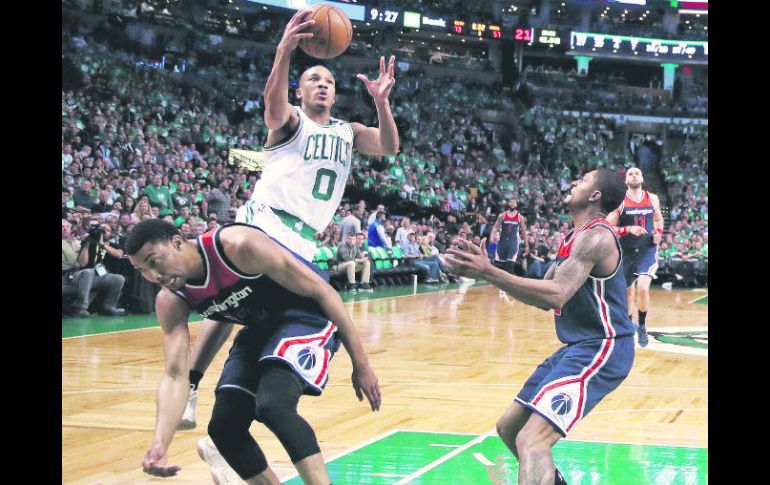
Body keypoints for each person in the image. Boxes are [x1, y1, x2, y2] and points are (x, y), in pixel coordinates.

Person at [183, 7, 399, 430]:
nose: (322, 84)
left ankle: (230, 418)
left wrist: (381, 103)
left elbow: (389, 146)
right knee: (230, 306)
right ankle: (189, 387)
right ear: (299, 92)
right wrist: (283, 51)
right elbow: (271, 107)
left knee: (262, 318)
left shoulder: (348, 132)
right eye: (313, 79)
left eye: (329, 81)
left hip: (304, 239)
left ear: (335, 95)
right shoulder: (291, 121)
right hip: (264, 220)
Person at [126, 219, 381, 484]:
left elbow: (323, 291)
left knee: (273, 405)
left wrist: (361, 363)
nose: (153, 276)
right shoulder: (170, 298)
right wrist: (160, 444)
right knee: (223, 428)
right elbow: (175, 375)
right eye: (141, 270)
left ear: (177, 242)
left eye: (154, 262)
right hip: (259, 328)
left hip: (306, 316)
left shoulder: (239, 245)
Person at [442, 169, 635, 485]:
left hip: (604, 347)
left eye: (583, 181)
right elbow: (545, 297)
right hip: (577, 346)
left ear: (596, 195)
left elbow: (558, 293)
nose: (573, 183)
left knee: (532, 440)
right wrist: (488, 273)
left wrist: (489, 271)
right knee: (510, 429)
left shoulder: (596, 236)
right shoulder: (572, 237)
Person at [605, 167, 664, 347]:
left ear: (642, 178)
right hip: (626, 251)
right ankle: (630, 326)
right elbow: (607, 226)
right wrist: (628, 229)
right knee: (628, 293)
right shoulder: (620, 202)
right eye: (630, 174)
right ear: (626, 180)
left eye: (637, 173)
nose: (634, 176)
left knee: (643, 288)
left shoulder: (652, 198)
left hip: (647, 249)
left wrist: (659, 232)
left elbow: (658, 219)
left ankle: (643, 326)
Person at [62, 218, 126, 317]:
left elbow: (119, 254)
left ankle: (109, 307)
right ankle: (81, 308)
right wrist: (86, 243)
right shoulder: (82, 242)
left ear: (71, 229)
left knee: (118, 278)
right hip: (72, 276)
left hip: (91, 276)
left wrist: (97, 243)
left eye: (66, 226)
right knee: (88, 272)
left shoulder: (77, 242)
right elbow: (81, 264)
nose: (65, 228)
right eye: (62, 227)